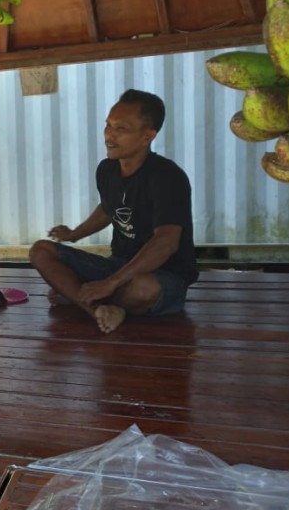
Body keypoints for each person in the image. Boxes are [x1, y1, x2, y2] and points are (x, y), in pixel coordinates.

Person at [29, 89, 198, 333]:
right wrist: (74, 235)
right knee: (41, 251)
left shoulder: (167, 176)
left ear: (148, 136)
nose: (109, 135)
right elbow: (108, 209)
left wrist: (110, 284)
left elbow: (166, 242)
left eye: (122, 129)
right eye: (108, 125)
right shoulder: (107, 170)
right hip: (118, 265)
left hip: (163, 275)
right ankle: (100, 309)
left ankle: (82, 296)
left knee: (142, 289)